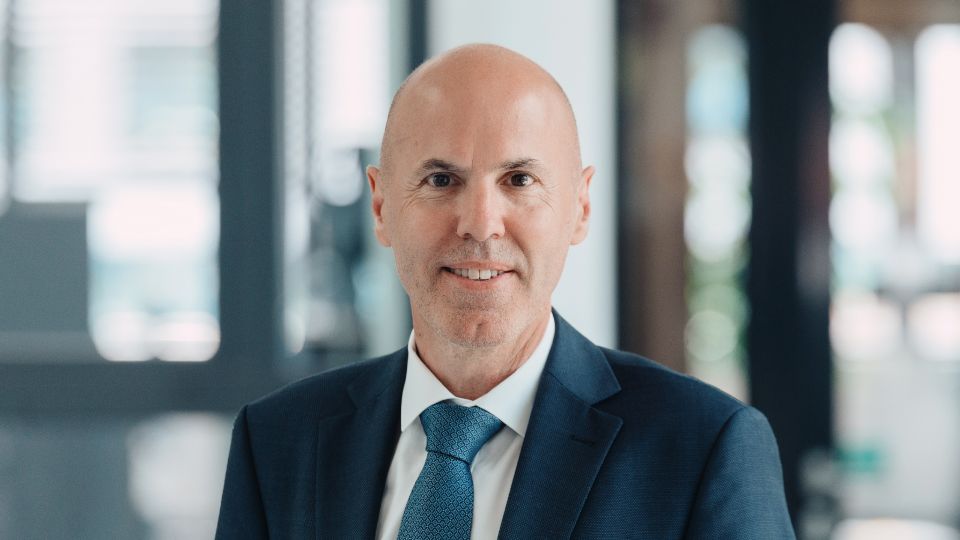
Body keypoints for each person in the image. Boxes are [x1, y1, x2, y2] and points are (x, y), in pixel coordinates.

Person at [215, 44, 795, 539]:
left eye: (519, 180)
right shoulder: (278, 443)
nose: (480, 223)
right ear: (382, 205)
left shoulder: (703, 449)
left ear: (580, 207)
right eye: (441, 180)